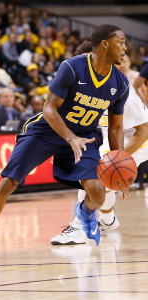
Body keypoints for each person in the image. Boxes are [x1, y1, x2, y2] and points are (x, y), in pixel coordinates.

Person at [0, 24, 129, 261]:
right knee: (8, 182)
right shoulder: (72, 67)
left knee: (98, 194)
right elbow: (48, 108)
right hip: (45, 131)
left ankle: (85, 212)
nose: (126, 48)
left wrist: (119, 162)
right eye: (121, 42)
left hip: (84, 137)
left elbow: (116, 126)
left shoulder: (120, 83)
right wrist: (70, 138)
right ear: (104, 44)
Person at [51, 45, 148, 246]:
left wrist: (119, 161)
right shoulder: (85, 89)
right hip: (117, 142)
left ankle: (78, 227)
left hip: (142, 139)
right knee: (99, 178)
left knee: (97, 172)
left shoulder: (120, 88)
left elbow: (143, 131)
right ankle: (107, 220)